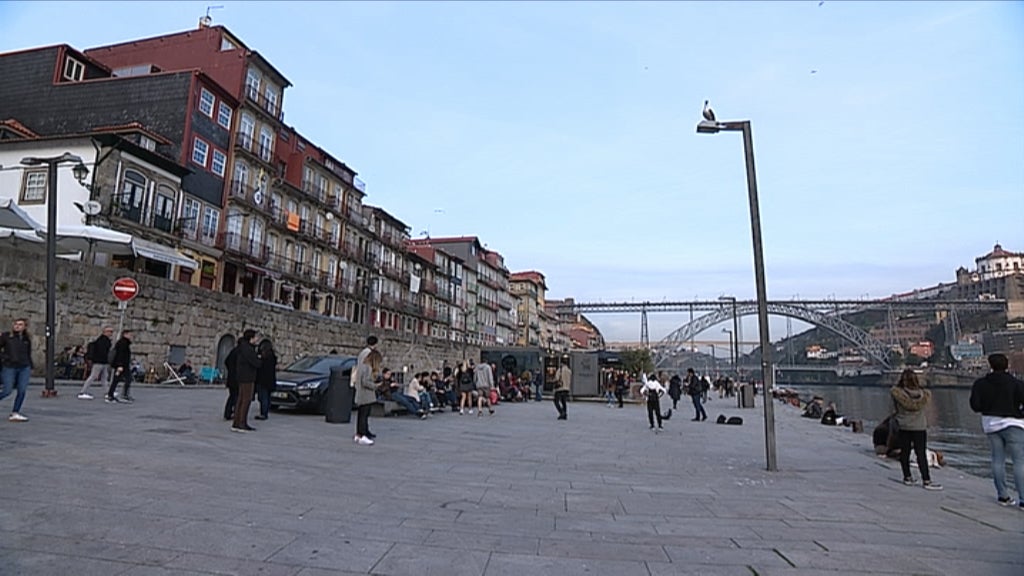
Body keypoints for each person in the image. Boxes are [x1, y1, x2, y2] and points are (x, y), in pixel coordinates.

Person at [969, 353, 1024, 508]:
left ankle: (1003, 496)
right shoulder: (1017, 384)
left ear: (990, 365)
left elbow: (975, 405)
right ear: (1007, 366)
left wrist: (986, 409)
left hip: (991, 424)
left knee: (997, 460)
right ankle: (1023, 499)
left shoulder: (980, 384)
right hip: (1014, 423)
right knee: (1019, 462)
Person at [891, 369, 942, 490]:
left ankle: (907, 477)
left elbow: (895, 408)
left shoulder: (897, 393)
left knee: (905, 452)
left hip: (903, 425)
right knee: (921, 453)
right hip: (919, 426)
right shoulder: (924, 395)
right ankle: (926, 480)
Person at [0, 318, 33, 422]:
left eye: (20, 324)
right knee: (7, 390)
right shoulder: (7, 336)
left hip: (24, 366)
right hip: (9, 366)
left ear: (24, 327)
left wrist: (30, 364)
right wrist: (4, 358)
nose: (17, 326)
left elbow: (28, 352)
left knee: (22, 390)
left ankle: (15, 412)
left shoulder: (26, 339)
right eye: (16, 324)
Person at [231, 329, 261, 432]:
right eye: (255, 337)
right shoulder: (248, 349)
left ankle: (236, 422)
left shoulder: (242, 347)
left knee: (240, 399)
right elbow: (256, 363)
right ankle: (242, 423)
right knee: (246, 400)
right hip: (247, 377)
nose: (257, 339)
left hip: (241, 376)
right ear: (251, 338)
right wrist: (260, 358)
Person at [353, 349, 382, 445]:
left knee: (361, 414)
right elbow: (365, 381)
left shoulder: (362, 366)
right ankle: (362, 435)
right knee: (364, 415)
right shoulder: (368, 367)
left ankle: (359, 435)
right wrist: (375, 386)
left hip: (362, 394)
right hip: (366, 395)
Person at [78, 326, 114, 400]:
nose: (111, 333)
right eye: (110, 331)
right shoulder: (103, 341)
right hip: (99, 361)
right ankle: (82, 391)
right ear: (105, 332)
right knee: (93, 376)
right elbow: (103, 351)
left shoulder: (103, 340)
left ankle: (107, 392)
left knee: (104, 377)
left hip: (102, 361)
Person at [106, 330, 134, 403]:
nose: (131, 336)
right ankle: (115, 395)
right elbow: (120, 355)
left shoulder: (124, 343)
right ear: (125, 334)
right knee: (123, 379)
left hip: (123, 365)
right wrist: (120, 365)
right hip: (122, 366)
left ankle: (113, 394)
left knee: (118, 380)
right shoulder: (123, 343)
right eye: (130, 334)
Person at [254, 339, 278, 421]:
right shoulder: (272, 357)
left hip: (262, 380)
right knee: (267, 397)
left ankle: (263, 413)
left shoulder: (264, 358)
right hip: (270, 380)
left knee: (263, 397)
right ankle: (265, 412)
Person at [222, 335, 239, 421]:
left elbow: (226, 361)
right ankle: (235, 413)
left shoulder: (233, 351)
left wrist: (231, 370)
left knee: (232, 396)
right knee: (236, 397)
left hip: (231, 378)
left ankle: (227, 413)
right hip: (237, 379)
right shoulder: (240, 352)